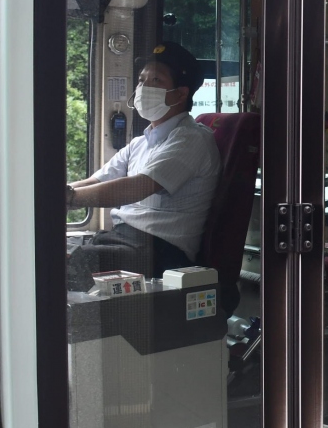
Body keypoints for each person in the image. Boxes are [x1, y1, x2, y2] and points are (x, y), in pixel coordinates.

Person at [66, 42, 221, 291]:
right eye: (141, 80)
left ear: (181, 94)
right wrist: (64, 192)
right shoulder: (141, 142)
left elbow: (137, 187)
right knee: (66, 251)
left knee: (67, 262)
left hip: (161, 252)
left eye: (156, 80)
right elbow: (98, 180)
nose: (143, 88)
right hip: (124, 239)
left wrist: (70, 198)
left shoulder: (191, 139)